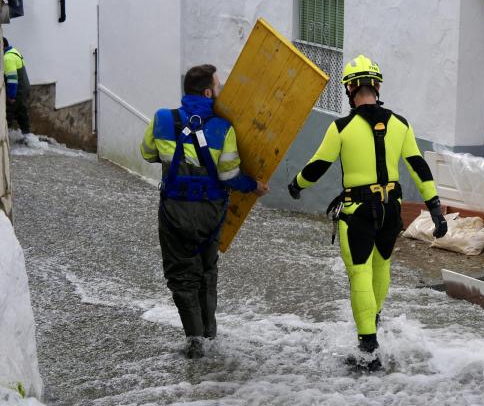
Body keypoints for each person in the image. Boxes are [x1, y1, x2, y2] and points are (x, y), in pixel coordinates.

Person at [287, 54, 448, 369]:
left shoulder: (342, 128)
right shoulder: (400, 124)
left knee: (359, 273)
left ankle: (368, 349)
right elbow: (419, 167)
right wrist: (435, 209)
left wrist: (296, 185)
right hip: (391, 210)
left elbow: (318, 165)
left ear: (349, 90)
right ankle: (372, 321)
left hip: (358, 211)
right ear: (377, 86)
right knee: (381, 265)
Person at [140, 64, 269, 359]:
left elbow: (147, 153)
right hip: (211, 216)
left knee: (181, 277)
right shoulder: (224, 129)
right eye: (219, 87)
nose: (221, 92)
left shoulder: (162, 119)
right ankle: (210, 335)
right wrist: (254, 186)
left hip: (174, 213)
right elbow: (229, 176)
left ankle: (194, 340)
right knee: (207, 271)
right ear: (209, 92)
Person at [3, 37, 31, 135]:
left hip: (18, 90)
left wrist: (11, 96)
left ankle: (7, 138)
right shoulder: (14, 51)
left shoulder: (7, 58)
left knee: (8, 112)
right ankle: (27, 136)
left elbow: (12, 79)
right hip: (25, 87)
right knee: (22, 112)